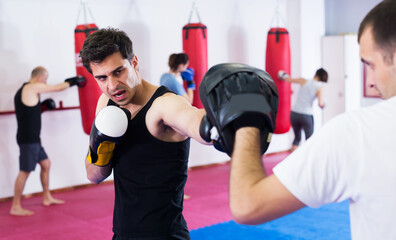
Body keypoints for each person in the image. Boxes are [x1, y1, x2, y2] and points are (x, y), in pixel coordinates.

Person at [226, 1, 396, 239]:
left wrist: (247, 111)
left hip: (295, 113)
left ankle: (294, 165)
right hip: (306, 115)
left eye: (371, 64)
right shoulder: (325, 93)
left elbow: (247, 205)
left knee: (299, 139)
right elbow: (322, 101)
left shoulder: (355, 131)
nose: (370, 81)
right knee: (306, 138)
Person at [80, 28, 208, 240]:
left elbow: (194, 121)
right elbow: (94, 175)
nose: (112, 86)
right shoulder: (106, 104)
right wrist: (102, 143)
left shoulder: (165, 104)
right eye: (102, 78)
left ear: (134, 62)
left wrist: (219, 120)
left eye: (118, 71)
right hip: (122, 234)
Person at [11, 66, 85, 216]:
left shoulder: (24, 91)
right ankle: (15, 206)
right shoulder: (32, 87)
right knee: (25, 171)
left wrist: (42, 108)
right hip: (28, 139)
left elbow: (29, 114)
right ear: (39, 77)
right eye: (45, 79)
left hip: (33, 138)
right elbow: (57, 88)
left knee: (46, 164)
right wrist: (73, 82)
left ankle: (47, 197)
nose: (46, 82)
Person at [278, 68, 328, 152]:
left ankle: (292, 162)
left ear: (316, 74)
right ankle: (308, 163)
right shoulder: (319, 87)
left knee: (297, 138)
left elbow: (287, 79)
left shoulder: (303, 81)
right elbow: (320, 104)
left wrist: (282, 74)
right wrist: (324, 105)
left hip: (294, 113)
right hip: (306, 115)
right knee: (309, 140)